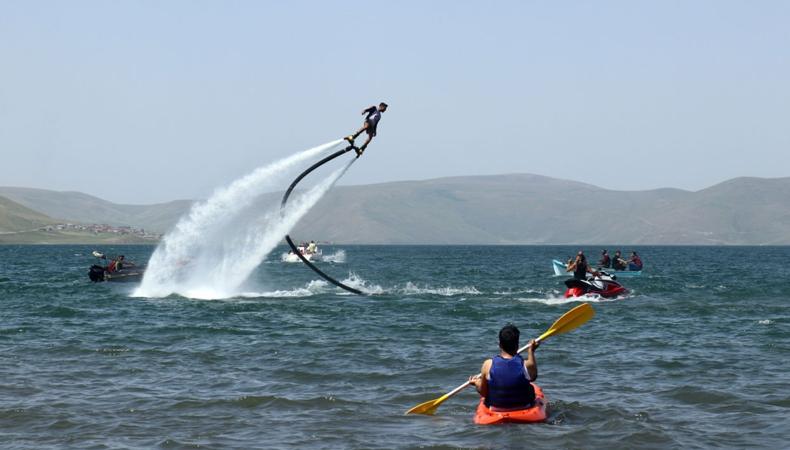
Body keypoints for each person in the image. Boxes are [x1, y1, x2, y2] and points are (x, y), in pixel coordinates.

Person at [469, 324, 538, 410]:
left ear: (500, 345)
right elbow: (533, 376)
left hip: (497, 408)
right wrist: (531, 351)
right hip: (523, 407)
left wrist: (476, 383)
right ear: (517, 345)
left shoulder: (488, 364)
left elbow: (483, 392)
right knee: (531, 388)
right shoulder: (526, 365)